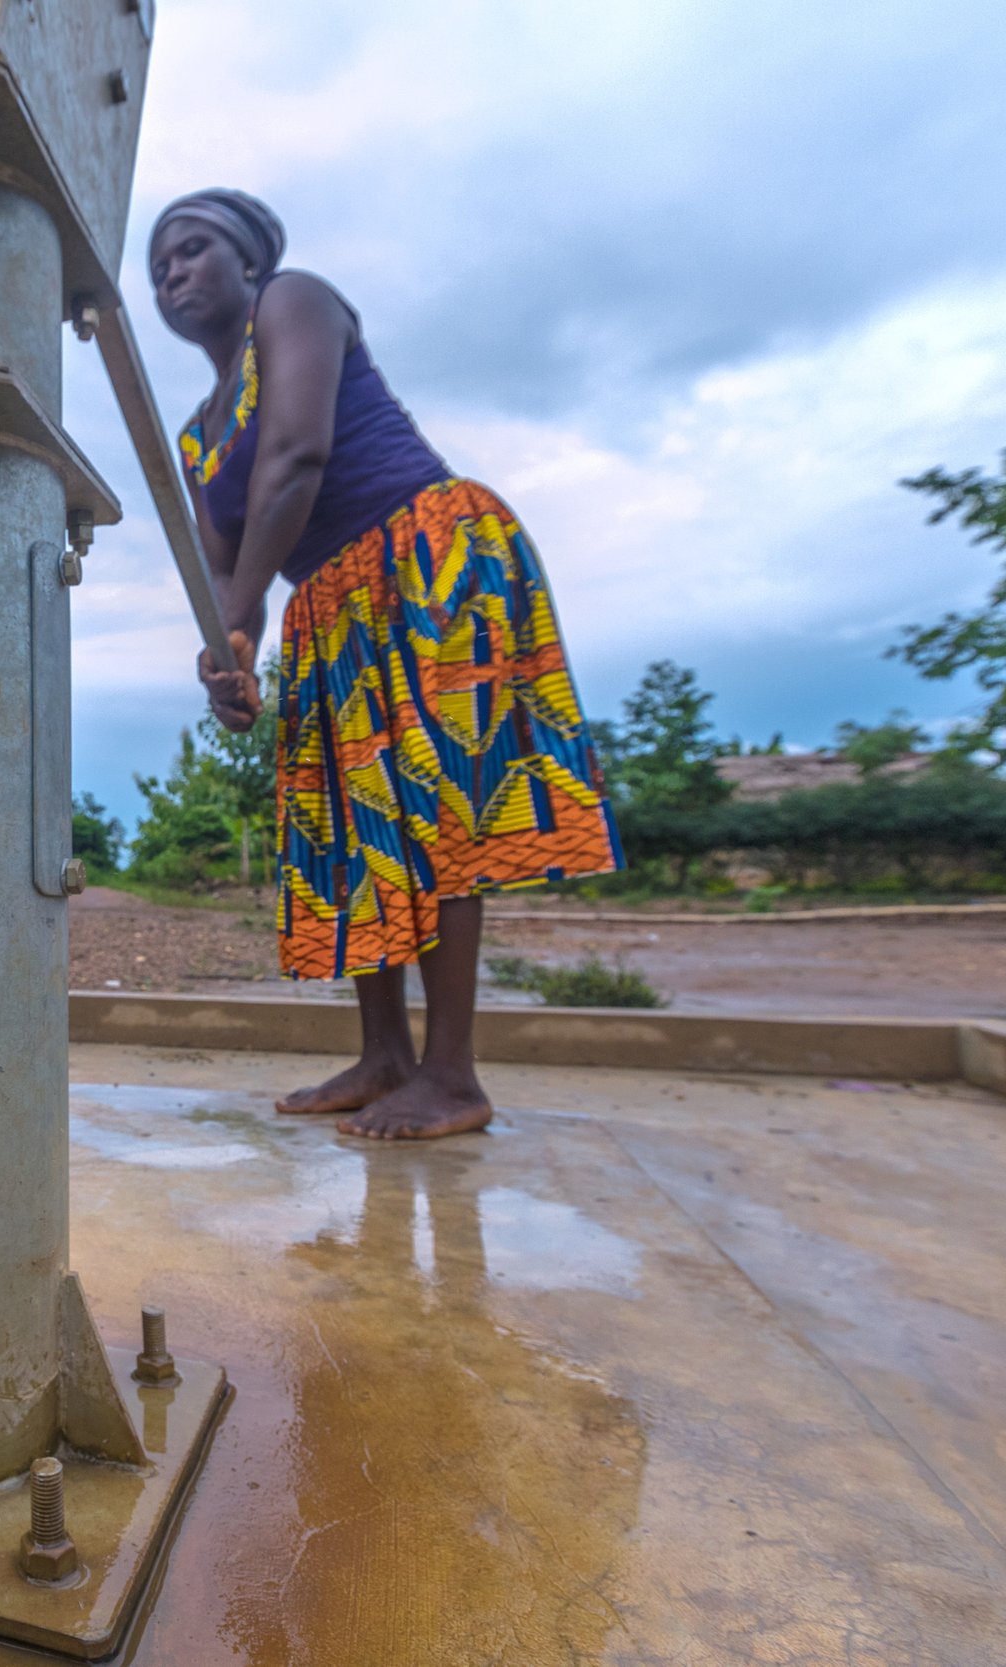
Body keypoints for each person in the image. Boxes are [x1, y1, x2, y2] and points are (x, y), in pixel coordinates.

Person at [151, 188, 622, 1140]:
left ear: (249, 260)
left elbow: (296, 456)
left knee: (440, 810)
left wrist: (235, 624)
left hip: (427, 559)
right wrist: (226, 653)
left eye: (192, 250)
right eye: (158, 266)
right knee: (359, 825)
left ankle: (453, 1075)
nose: (171, 274)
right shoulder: (198, 431)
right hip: (329, 602)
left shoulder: (294, 301)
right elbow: (217, 560)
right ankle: (385, 1055)